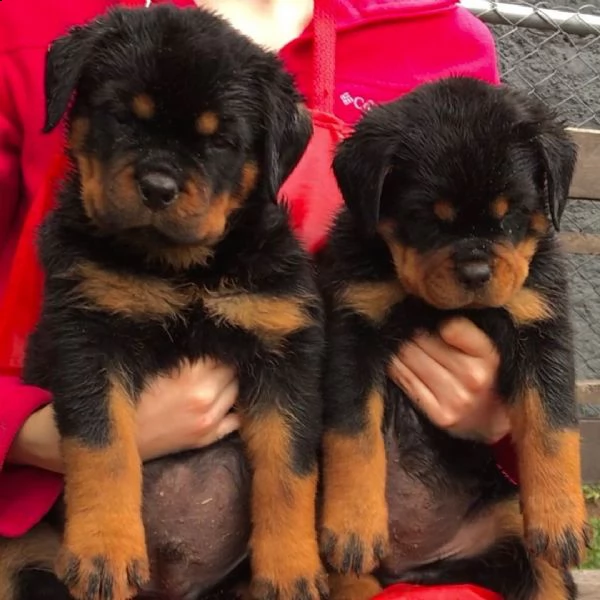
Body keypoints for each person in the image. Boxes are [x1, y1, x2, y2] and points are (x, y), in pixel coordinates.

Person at [0, 0, 516, 597]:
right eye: (123, 119)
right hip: (61, 523)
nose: (161, 180)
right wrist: (29, 435)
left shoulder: (444, 44)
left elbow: (496, 280)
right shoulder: (34, 21)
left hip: (360, 524)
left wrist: (496, 403)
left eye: (216, 146)